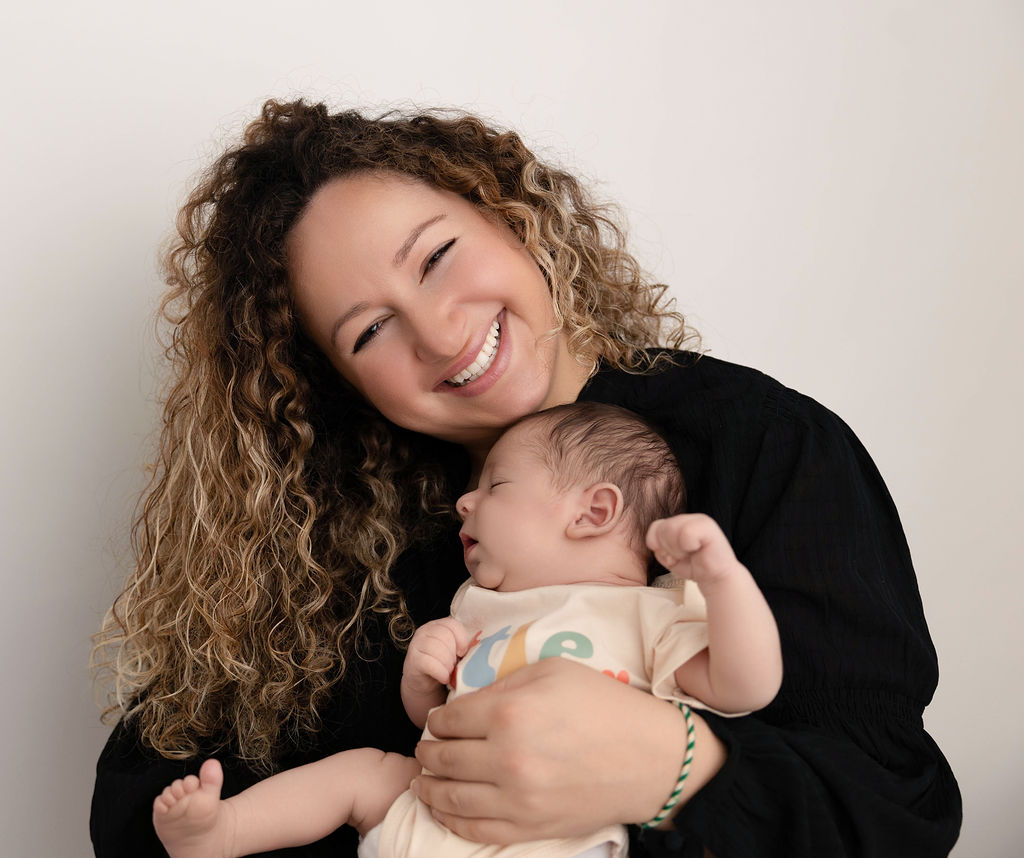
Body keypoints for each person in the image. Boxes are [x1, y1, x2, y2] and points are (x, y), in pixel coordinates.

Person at [91, 99, 961, 857]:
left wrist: (672, 767)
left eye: (435, 257)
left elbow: (898, 812)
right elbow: (137, 811)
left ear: (509, 216)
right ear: (340, 388)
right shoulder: (335, 540)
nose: (438, 333)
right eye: (368, 334)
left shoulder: (761, 446)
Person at [150, 402, 784, 858]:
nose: (465, 501)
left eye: (496, 485)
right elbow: (435, 722)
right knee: (366, 772)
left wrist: (724, 580)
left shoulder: (650, 614)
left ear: (595, 512)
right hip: (433, 812)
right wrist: (422, 678)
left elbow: (743, 687)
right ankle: (224, 832)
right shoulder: (478, 605)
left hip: (558, 837)